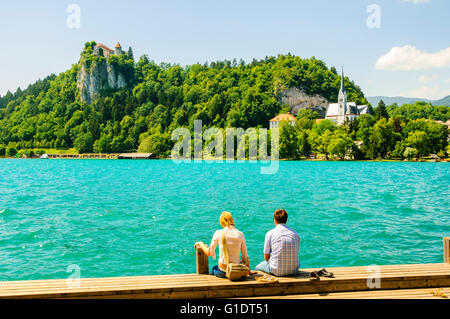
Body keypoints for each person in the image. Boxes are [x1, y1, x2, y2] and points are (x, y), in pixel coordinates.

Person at [195, 211, 255, 278]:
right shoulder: (240, 234)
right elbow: (245, 257)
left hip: (223, 272)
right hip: (236, 270)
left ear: (222, 222)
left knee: (214, 268)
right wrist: (248, 271)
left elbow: (209, 252)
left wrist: (201, 244)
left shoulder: (219, 233)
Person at [255, 209, 300, 277]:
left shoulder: (270, 234)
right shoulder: (295, 234)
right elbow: (296, 251)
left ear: (275, 220)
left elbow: (266, 257)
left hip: (277, 271)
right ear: (286, 220)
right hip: (294, 271)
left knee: (257, 267)